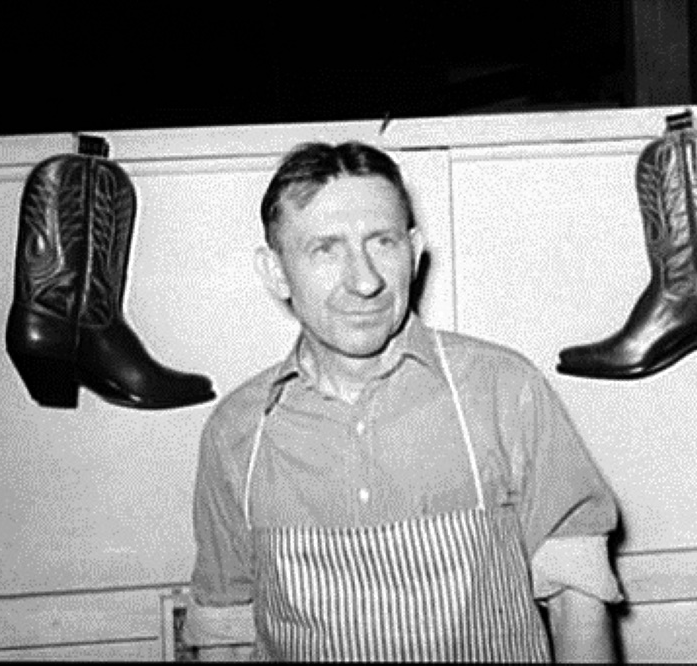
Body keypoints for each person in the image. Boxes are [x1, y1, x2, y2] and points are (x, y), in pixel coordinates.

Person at [183, 141, 623, 661]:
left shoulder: (503, 390)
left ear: (413, 253)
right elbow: (226, 631)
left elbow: (579, 597)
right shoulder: (238, 431)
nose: (365, 280)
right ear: (277, 272)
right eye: (326, 249)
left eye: (383, 242)